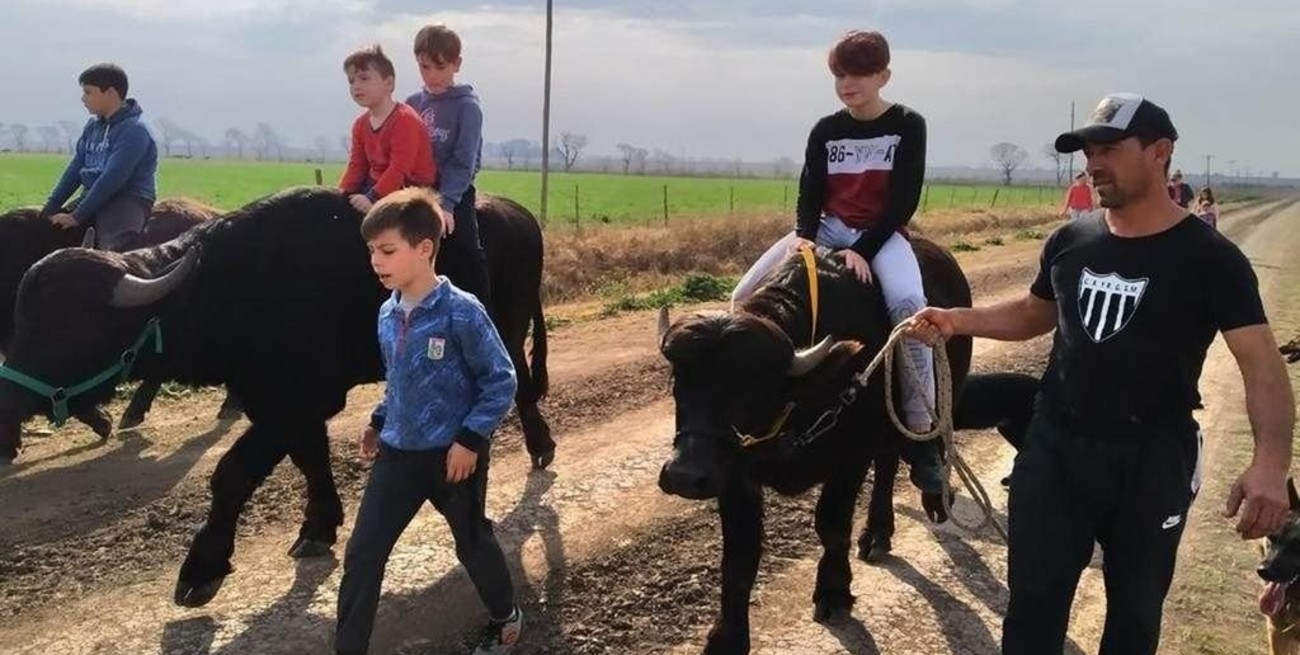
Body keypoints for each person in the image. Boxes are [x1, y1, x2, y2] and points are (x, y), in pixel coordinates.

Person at [907, 92, 1294, 654]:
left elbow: (1260, 363)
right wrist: (956, 319)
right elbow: (1035, 312)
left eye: (1110, 148)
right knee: (1033, 610)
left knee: (1134, 618)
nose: (1093, 163)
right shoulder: (1072, 240)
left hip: (1154, 459)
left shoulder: (1210, 258)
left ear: (1160, 152)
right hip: (1056, 449)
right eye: (1088, 151)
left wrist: (1270, 463)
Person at [335, 187, 522, 655]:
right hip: (397, 455)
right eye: (372, 251)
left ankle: (507, 617)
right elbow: (400, 379)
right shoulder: (387, 312)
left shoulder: (462, 311)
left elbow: (500, 380)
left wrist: (470, 440)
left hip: (452, 458)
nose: (376, 261)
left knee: (472, 541)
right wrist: (380, 419)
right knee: (363, 554)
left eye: (387, 250)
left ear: (424, 249)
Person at [405, 24, 493, 309]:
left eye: (439, 67)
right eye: (424, 67)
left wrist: (447, 204)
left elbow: (463, 160)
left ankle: (482, 312)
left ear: (456, 64)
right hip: (415, 188)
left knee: (467, 248)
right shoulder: (412, 104)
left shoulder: (467, 108)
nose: (431, 75)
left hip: (453, 189)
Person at [41, 63, 158, 251]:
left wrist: (76, 216)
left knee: (109, 255)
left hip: (126, 199)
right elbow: (74, 170)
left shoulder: (135, 131)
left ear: (110, 93)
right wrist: (49, 209)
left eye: (88, 92)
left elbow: (113, 178)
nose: (83, 98)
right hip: (92, 195)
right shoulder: (92, 127)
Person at [338, 45, 436, 214]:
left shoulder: (404, 120)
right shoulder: (360, 125)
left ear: (389, 83)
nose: (356, 86)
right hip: (377, 183)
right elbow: (357, 165)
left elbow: (400, 168)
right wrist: (340, 195)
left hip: (411, 188)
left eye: (364, 78)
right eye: (351, 80)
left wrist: (372, 197)